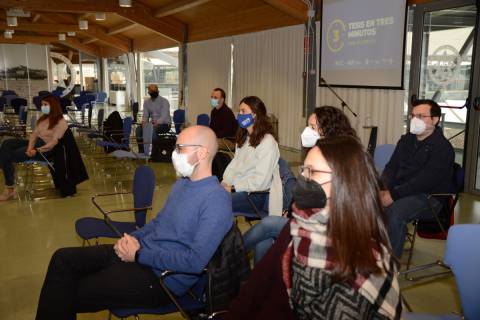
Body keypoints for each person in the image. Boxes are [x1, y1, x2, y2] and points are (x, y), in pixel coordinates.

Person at [35, 126, 233, 319]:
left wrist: (139, 254)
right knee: (62, 258)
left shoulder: (216, 200)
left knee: (66, 291)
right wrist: (129, 239)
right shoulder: (182, 185)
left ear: (202, 153)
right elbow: (158, 224)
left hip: (161, 280)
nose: (174, 153)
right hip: (141, 254)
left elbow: (194, 262)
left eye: (180, 148)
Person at [226, 136, 402, 320]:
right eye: (304, 171)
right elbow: (256, 287)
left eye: (313, 172)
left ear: (344, 181)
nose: (303, 179)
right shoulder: (300, 223)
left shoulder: (362, 266)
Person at [243, 106, 358, 263]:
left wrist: (294, 214)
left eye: (312, 127)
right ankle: (260, 284)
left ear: (329, 129)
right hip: (308, 216)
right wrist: (289, 210)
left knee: (269, 224)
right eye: (308, 126)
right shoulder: (318, 152)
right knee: (264, 242)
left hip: (328, 225)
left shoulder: (341, 158)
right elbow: (304, 190)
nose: (307, 132)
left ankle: (230, 254)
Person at [381, 99, 454, 259]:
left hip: (429, 197)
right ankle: (374, 253)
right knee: (367, 203)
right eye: (413, 115)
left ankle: (390, 266)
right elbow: (391, 167)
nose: (415, 120)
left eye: (421, 116)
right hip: (402, 191)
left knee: (395, 212)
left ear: (435, 120)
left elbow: (424, 182)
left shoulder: (442, 148)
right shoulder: (406, 140)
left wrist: (392, 195)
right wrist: (382, 189)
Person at [222, 96, 282, 217]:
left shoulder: (267, 142)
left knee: (213, 202)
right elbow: (234, 165)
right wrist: (224, 182)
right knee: (207, 196)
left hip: (253, 196)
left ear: (254, 114)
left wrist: (233, 188)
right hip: (239, 190)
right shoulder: (244, 138)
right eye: (239, 111)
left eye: (243, 111)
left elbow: (261, 182)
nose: (239, 115)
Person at [0, 95, 68, 201]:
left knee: (7, 157)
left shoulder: (61, 122)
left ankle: (9, 189)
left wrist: (36, 150)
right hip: (35, 144)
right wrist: (29, 148)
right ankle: (3, 164)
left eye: (45, 105)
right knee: (7, 143)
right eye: (42, 105)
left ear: (53, 106)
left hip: (46, 151)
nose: (42, 107)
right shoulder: (43, 119)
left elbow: (54, 142)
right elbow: (34, 135)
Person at [136, 84, 171, 153]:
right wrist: (144, 122)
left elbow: (163, 117)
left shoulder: (164, 101)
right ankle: (142, 151)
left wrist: (153, 124)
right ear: (148, 92)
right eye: (151, 91)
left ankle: (154, 151)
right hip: (152, 123)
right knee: (138, 130)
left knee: (152, 129)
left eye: (154, 90)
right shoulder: (146, 102)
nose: (153, 92)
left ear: (158, 91)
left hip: (165, 124)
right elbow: (145, 115)